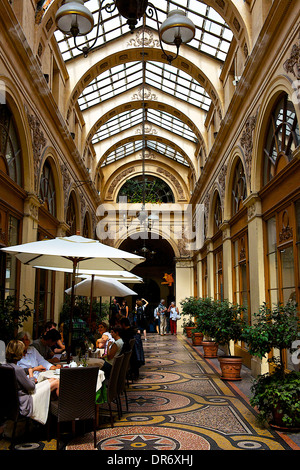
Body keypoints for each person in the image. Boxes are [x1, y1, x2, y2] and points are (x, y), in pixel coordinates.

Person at [3, 340, 59, 425]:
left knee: (53, 380)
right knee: (56, 383)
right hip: (25, 403)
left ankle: (54, 416)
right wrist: (31, 374)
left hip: (14, 402)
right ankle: (60, 417)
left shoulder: (5, 367)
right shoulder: (18, 369)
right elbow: (31, 387)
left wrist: (32, 369)